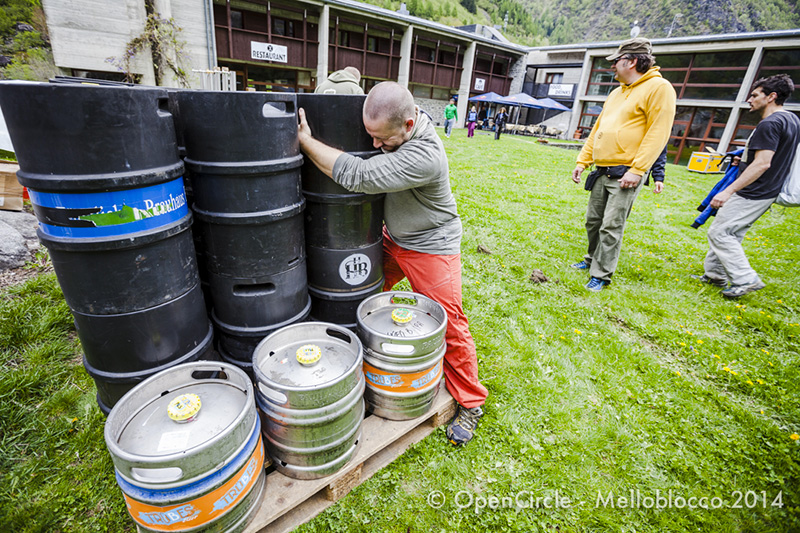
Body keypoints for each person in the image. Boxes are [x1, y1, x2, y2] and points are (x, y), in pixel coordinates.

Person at [297, 82, 488, 446]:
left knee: (448, 323)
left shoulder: (425, 156)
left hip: (430, 244)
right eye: (370, 136)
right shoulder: (400, 128)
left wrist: (306, 141)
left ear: (409, 125)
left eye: (381, 139)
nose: (373, 146)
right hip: (392, 238)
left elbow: (360, 175)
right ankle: (354, 371)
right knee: (356, 297)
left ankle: (472, 402)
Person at [570, 37, 676, 291]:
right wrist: (583, 160)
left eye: (617, 61)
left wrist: (638, 169)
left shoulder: (659, 88)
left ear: (632, 61)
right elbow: (599, 129)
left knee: (611, 225)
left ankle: (601, 273)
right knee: (593, 221)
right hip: (601, 170)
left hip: (626, 173)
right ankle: (591, 258)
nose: (613, 66)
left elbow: (658, 133)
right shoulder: (616, 92)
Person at [692, 74, 800, 298]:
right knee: (732, 230)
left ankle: (745, 279)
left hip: (754, 190)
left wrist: (729, 190)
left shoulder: (769, 123)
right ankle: (715, 275)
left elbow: (762, 163)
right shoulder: (792, 120)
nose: (749, 99)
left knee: (720, 232)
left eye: (754, 95)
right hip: (769, 189)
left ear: (771, 97)